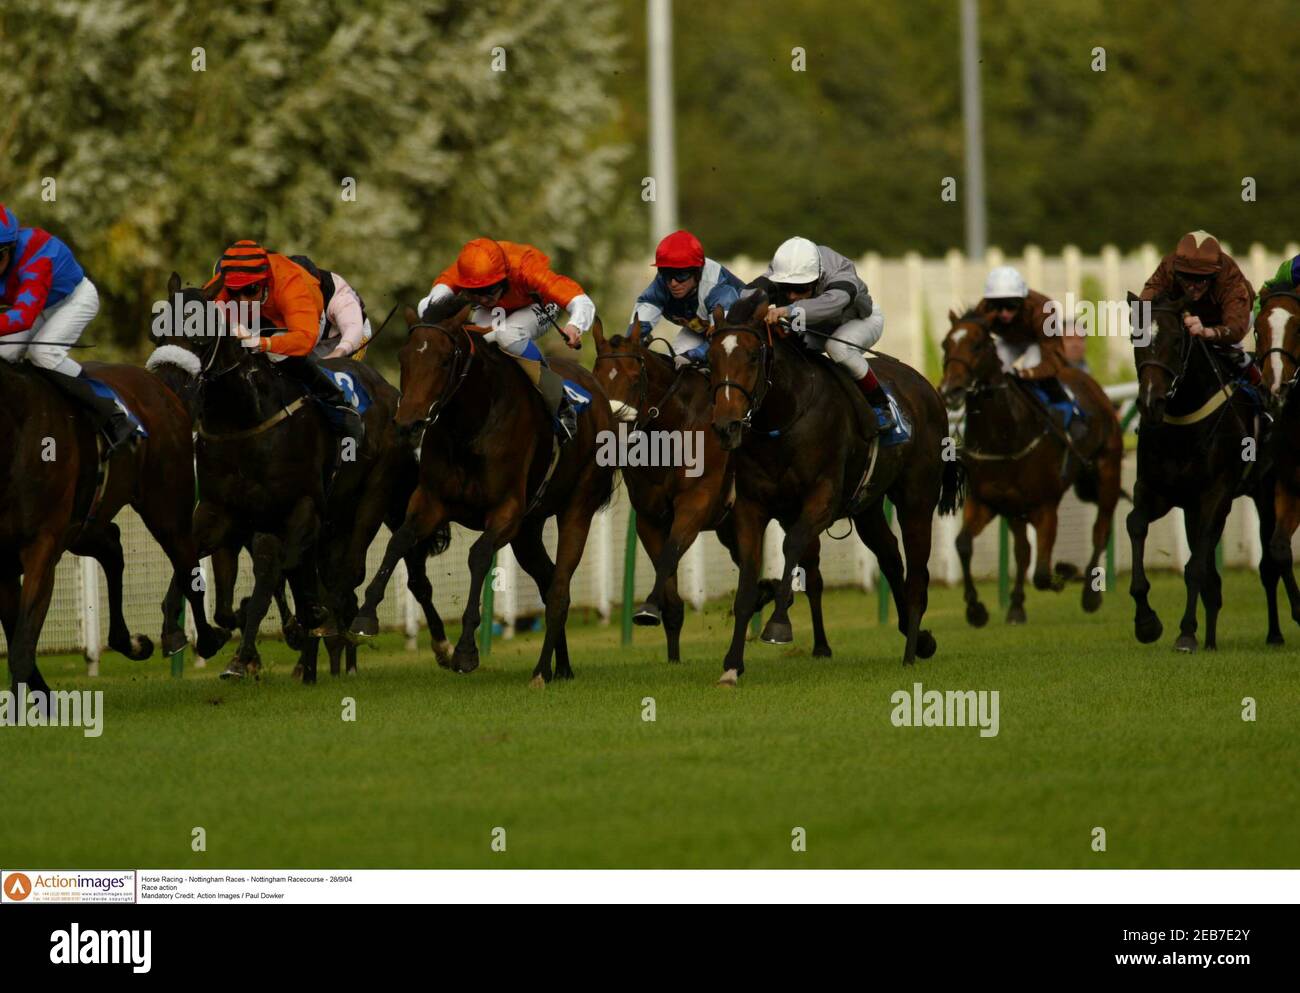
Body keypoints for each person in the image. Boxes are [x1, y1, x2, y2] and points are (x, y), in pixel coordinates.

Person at [417, 238, 596, 440]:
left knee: (508, 334)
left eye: (489, 290)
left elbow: (580, 300)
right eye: (476, 293)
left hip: (538, 305)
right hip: (498, 311)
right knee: (475, 342)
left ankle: (562, 401)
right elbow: (427, 306)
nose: (484, 299)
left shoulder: (525, 267)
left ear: (504, 277)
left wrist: (575, 325)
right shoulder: (460, 271)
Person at [0, 204, 137, 451]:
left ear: (10, 248)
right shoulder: (7, 256)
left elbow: (22, 317)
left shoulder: (35, 259)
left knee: (43, 354)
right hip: (40, 305)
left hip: (74, 299)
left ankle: (114, 412)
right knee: (5, 353)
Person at [211, 240, 363, 446]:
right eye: (234, 292)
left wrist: (337, 354)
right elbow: (209, 302)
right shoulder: (251, 283)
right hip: (291, 325)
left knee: (315, 366)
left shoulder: (305, 291)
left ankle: (341, 409)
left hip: (344, 340)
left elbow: (345, 332)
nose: (242, 300)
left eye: (250, 290)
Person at [748, 236, 893, 432]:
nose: (791, 295)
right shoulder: (783, 269)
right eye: (786, 288)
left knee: (837, 348)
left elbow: (833, 304)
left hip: (860, 320)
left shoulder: (840, 271)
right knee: (785, 345)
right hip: (818, 325)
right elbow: (746, 294)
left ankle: (881, 405)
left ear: (818, 277)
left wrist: (787, 311)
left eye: (800, 288)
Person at [1139, 229, 1260, 385]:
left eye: (1200, 280)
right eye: (1186, 278)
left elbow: (1235, 328)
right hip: (1188, 312)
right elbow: (1142, 302)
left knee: (1229, 351)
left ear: (1213, 276)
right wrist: (1141, 328)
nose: (1191, 288)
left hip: (1232, 317)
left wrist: (1207, 332)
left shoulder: (1231, 279)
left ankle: (1260, 385)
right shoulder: (1169, 266)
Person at [627, 229, 744, 367]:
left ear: (698, 271)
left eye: (681, 274)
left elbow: (724, 338)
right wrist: (630, 344)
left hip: (738, 333)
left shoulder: (719, 289)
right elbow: (641, 321)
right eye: (666, 273)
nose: (673, 283)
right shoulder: (662, 283)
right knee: (675, 363)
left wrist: (696, 354)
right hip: (702, 328)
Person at [286, 255, 372, 360]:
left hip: (350, 336)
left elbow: (353, 329)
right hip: (317, 338)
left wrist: (336, 355)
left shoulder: (340, 298)